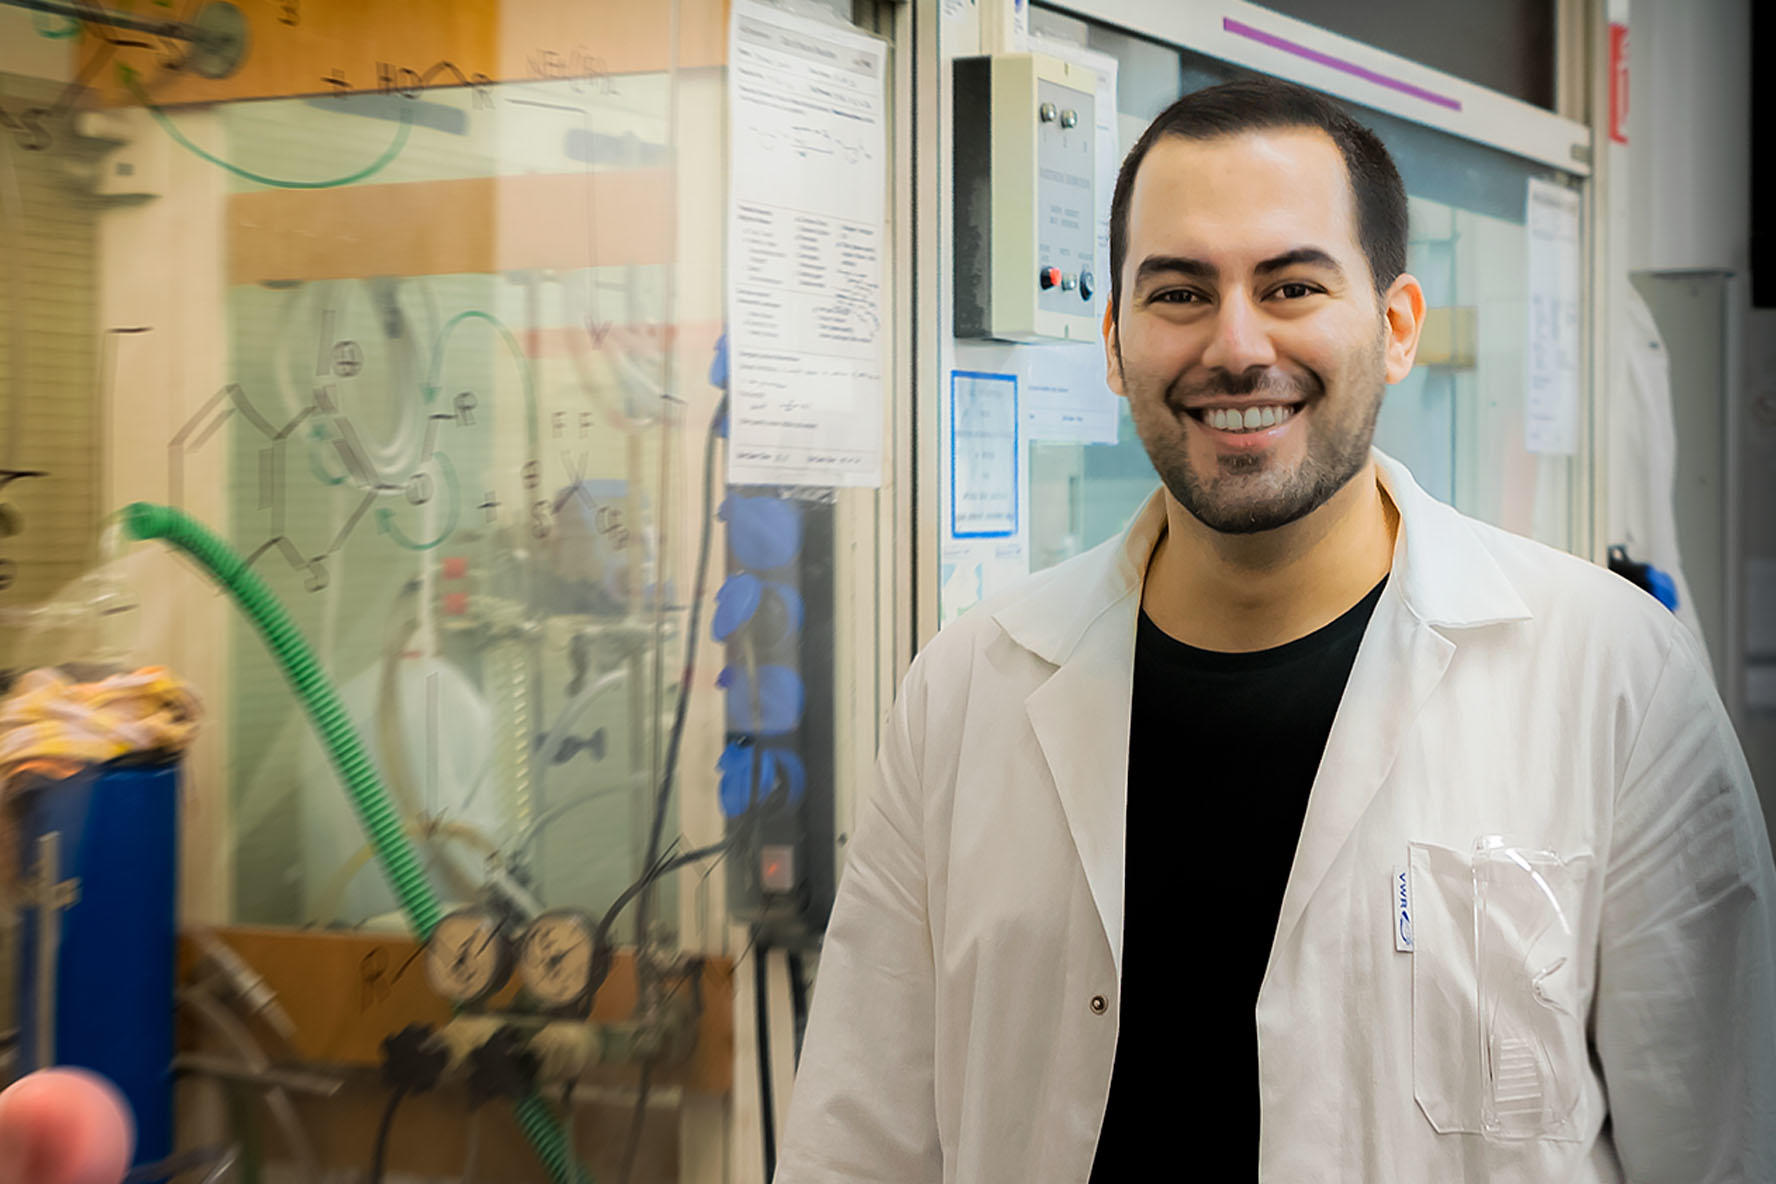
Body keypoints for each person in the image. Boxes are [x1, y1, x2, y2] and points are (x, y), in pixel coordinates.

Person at [772, 78, 1776, 1182]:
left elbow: (1722, 1142)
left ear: (1395, 328)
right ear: (1113, 342)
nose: (1237, 345)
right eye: (1179, 293)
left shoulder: (1613, 678)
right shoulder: (967, 691)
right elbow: (855, 1147)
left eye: (1293, 285)